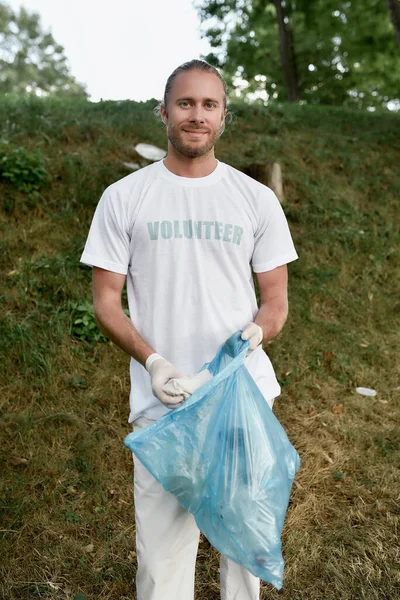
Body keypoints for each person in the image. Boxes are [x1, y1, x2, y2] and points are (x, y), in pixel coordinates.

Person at [80, 59, 298, 600]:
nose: (196, 115)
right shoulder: (124, 197)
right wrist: (153, 362)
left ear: (224, 116)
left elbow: (275, 303)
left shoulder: (255, 199)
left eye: (208, 105)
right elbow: (106, 302)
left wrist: (255, 336)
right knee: (161, 565)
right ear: (164, 112)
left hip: (238, 398)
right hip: (165, 406)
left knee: (245, 556)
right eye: (185, 103)